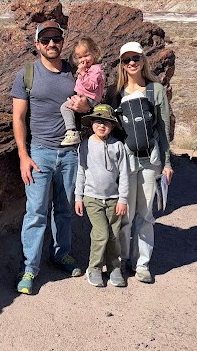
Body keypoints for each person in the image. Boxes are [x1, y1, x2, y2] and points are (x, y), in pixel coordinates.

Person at [10, 20, 91, 295]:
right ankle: (29, 267)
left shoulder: (75, 73)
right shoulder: (27, 75)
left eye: (56, 39)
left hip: (70, 152)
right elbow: (18, 118)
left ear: (62, 41)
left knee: (64, 210)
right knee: (35, 213)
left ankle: (61, 254)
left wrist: (86, 105)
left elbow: (90, 100)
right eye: (45, 40)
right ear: (37, 45)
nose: (51, 44)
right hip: (40, 153)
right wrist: (23, 155)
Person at [111, 41, 174, 284]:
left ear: (142, 60)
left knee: (146, 214)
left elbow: (163, 128)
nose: (132, 63)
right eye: (126, 60)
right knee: (125, 212)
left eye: (135, 58)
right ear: (122, 64)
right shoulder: (116, 95)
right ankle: (123, 259)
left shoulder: (155, 90)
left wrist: (168, 163)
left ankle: (143, 264)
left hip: (151, 160)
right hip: (126, 162)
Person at [74, 104, 129, 288]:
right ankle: (94, 268)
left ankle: (114, 268)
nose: (102, 125)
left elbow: (124, 174)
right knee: (101, 234)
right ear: (91, 124)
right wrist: (78, 197)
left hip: (114, 200)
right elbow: (81, 171)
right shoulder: (85, 145)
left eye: (106, 122)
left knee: (114, 235)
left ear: (112, 126)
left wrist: (122, 199)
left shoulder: (118, 146)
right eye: (98, 121)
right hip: (91, 198)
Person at [60, 37, 105, 146]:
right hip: (86, 97)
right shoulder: (90, 69)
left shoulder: (95, 69)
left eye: (86, 55)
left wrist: (83, 73)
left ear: (95, 53)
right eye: (80, 57)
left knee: (65, 107)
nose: (83, 59)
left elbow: (92, 86)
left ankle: (71, 132)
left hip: (89, 98)